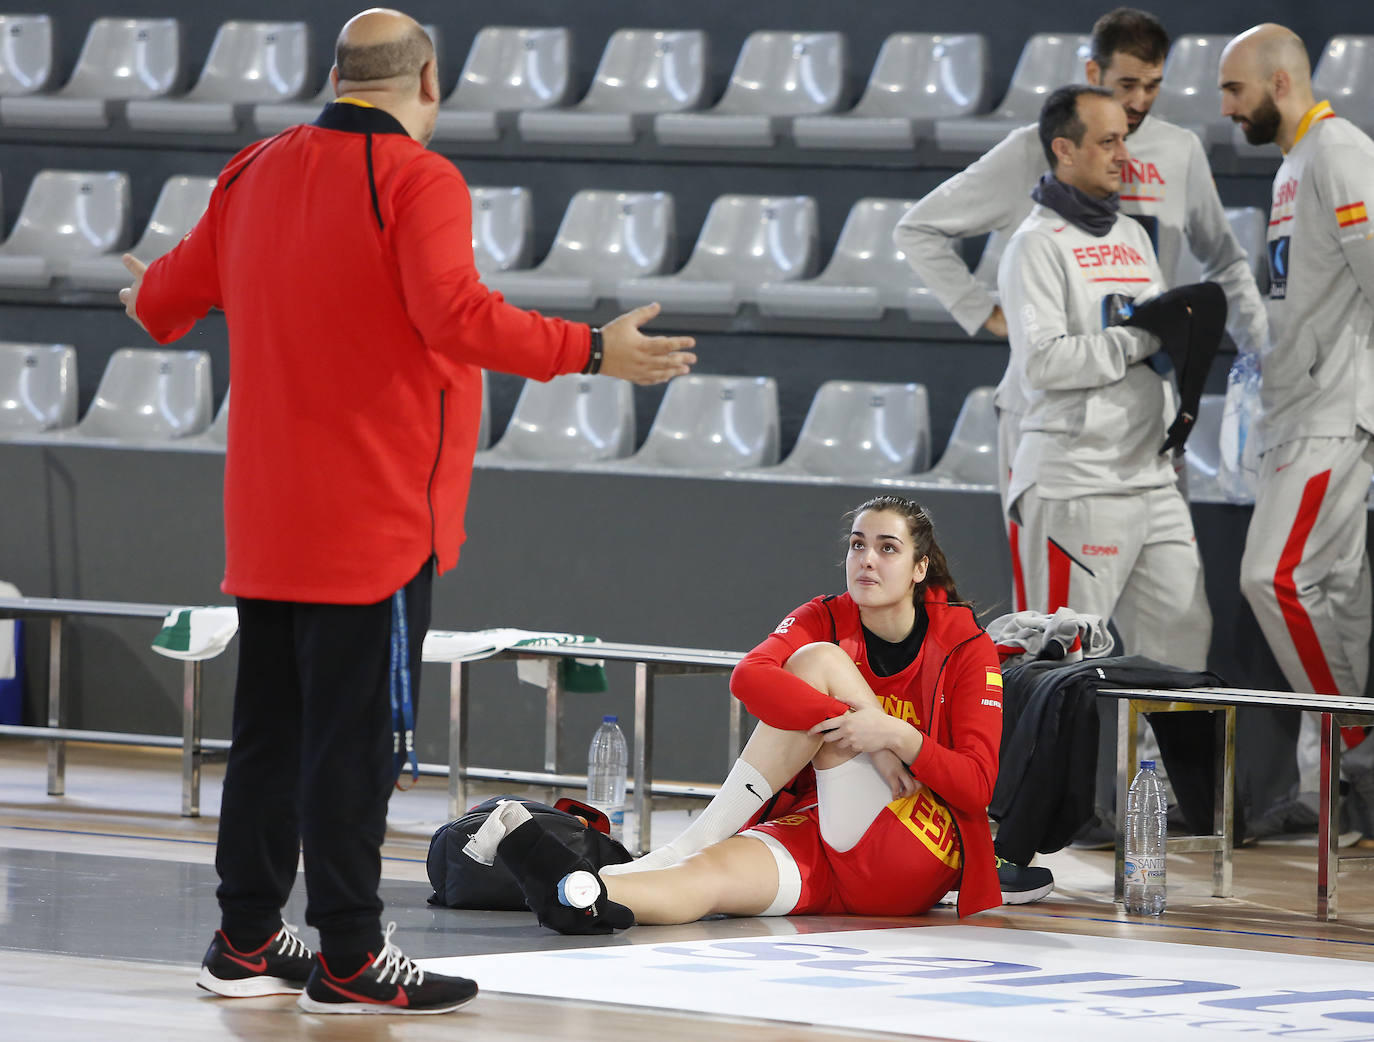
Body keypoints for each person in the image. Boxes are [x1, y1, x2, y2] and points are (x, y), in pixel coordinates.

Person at [116, 8, 696, 1015]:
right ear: (428, 80)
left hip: (266, 518)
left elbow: (161, 301)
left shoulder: (251, 170)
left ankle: (245, 936)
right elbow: (455, 315)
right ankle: (349, 955)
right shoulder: (420, 178)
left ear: (338, 74)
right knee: (355, 745)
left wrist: (148, 292)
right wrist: (592, 352)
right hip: (371, 520)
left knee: (271, 735)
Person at [481, 495, 1006, 931]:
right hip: (824, 826)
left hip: (914, 839)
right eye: (857, 545)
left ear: (920, 568)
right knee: (709, 876)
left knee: (818, 661)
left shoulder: (965, 647)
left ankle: (692, 836)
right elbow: (749, 679)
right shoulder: (824, 613)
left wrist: (895, 736)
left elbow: (977, 786)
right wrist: (865, 726)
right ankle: (579, 892)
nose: (866, 559)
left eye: (887, 548)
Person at [895, 7, 1268, 610]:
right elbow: (920, 228)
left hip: (1149, 406)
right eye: (1125, 86)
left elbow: (1224, 261)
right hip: (1051, 409)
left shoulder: (1179, 150)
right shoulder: (1030, 151)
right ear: (1092, 72)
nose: (1140, 101)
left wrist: (1260, 349)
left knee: (1171, 620)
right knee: (1054, 619)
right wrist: (986, 311)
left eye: (1153, 86)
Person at [998, 84, 1216, 694]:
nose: (1124, 153)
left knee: (1181, 649)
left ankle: (1154, 792)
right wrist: (1137, 339)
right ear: (1064, 150)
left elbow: (1159, 337)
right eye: (1108, 141)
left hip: (1151, 476)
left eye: (1126, 138)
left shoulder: (1132, 235)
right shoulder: (1034, 245)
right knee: (1061, 670)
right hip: (1076, 481)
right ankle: (1049, 795)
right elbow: (1042, 364)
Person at [1222, 25, 1374, 833]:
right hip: (1297, 407)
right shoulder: (1293, 165)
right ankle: (1334, 794)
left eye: (1234, 90)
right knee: (1339, 596)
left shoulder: (1339, 151)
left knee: (1273, 577)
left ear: (1279, 84)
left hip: (1332, 409)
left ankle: (1353, 740)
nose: (1225, 108)